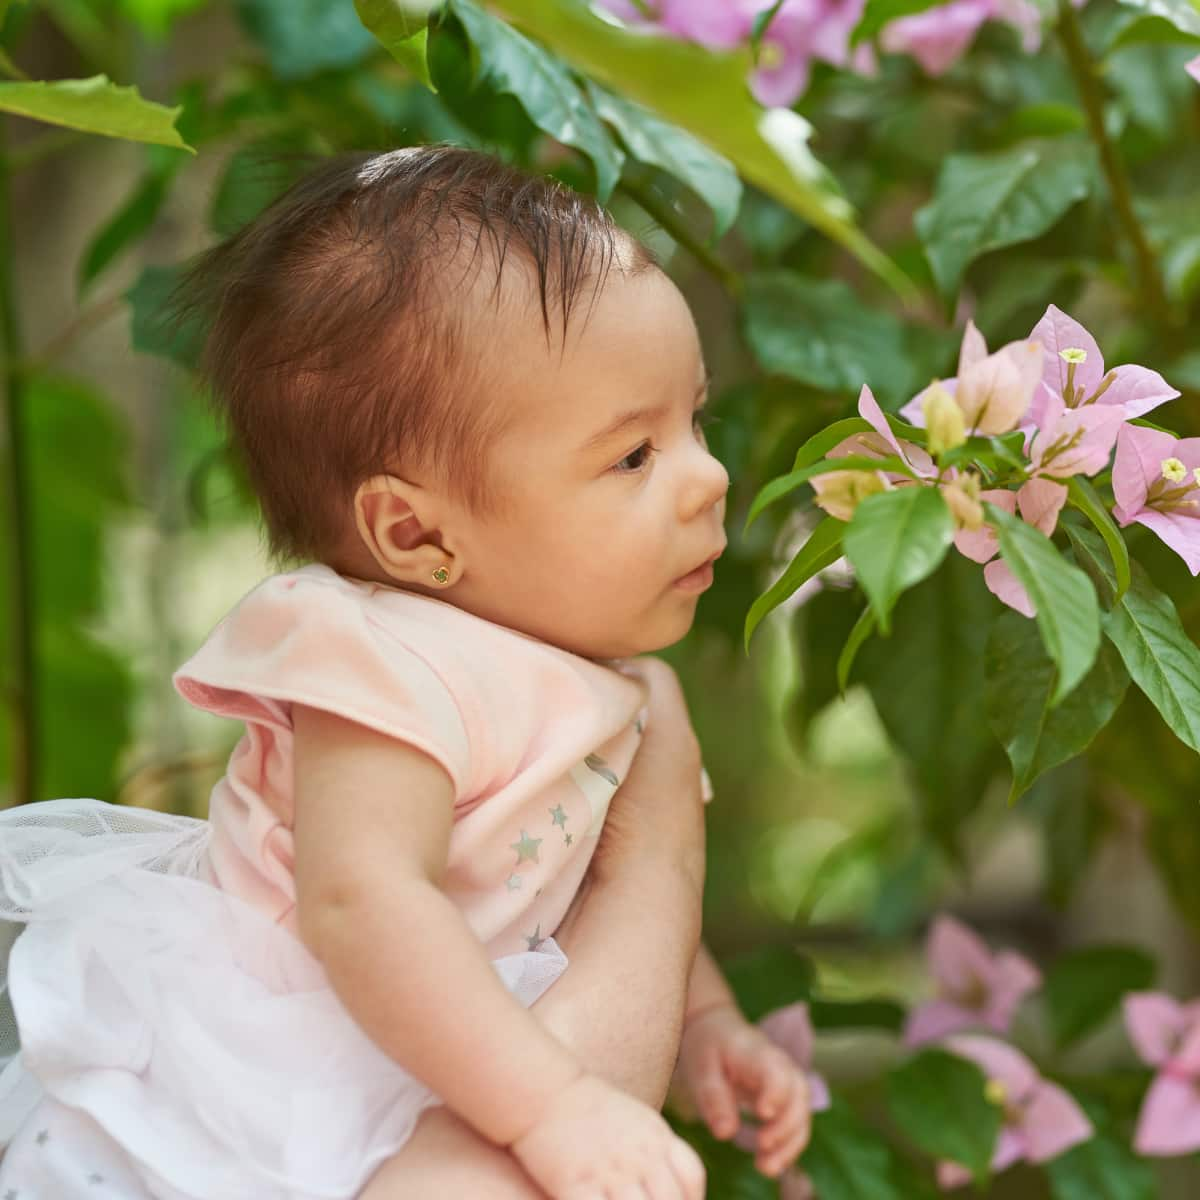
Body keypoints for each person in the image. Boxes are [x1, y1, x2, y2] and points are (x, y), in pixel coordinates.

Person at [0, 146, 812, 1199]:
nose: (710, 476)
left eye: (692, 419)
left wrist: (706, 1023)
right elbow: (363, 898)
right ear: (416, 530)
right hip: (288, 1064)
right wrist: (555, 1104)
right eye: (631, 456)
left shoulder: (600, 678)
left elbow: (595, 888)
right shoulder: (382, 659)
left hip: (450, 1058)